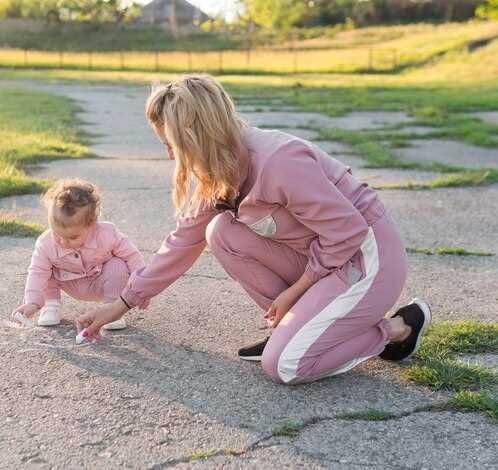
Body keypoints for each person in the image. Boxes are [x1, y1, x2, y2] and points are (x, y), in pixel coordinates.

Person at [75, 74, 431, 384]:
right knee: (221, 232)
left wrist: (294, 293)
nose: (171, 156)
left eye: (172, 145)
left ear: (194, 135)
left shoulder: (278, 161)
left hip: (367, 260)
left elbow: (348, 232)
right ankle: (297, 330)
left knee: (286, 366)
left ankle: (396, 329)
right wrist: (120, 304)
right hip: (326, 260)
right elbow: (182, 244)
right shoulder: (218, 171)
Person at [10, 179, 145, 338]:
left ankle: (112, 309)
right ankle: (51, 305)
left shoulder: (107, 233)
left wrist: (141, 282)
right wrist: (32, 302)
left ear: (92, 224)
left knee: (118, 264)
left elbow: (132, 255)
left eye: (72, 237)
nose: (62, 241)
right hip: (67, 281)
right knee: (46, 270)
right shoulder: (46, 243)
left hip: (99, 280)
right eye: (57, 233)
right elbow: (37, 272)